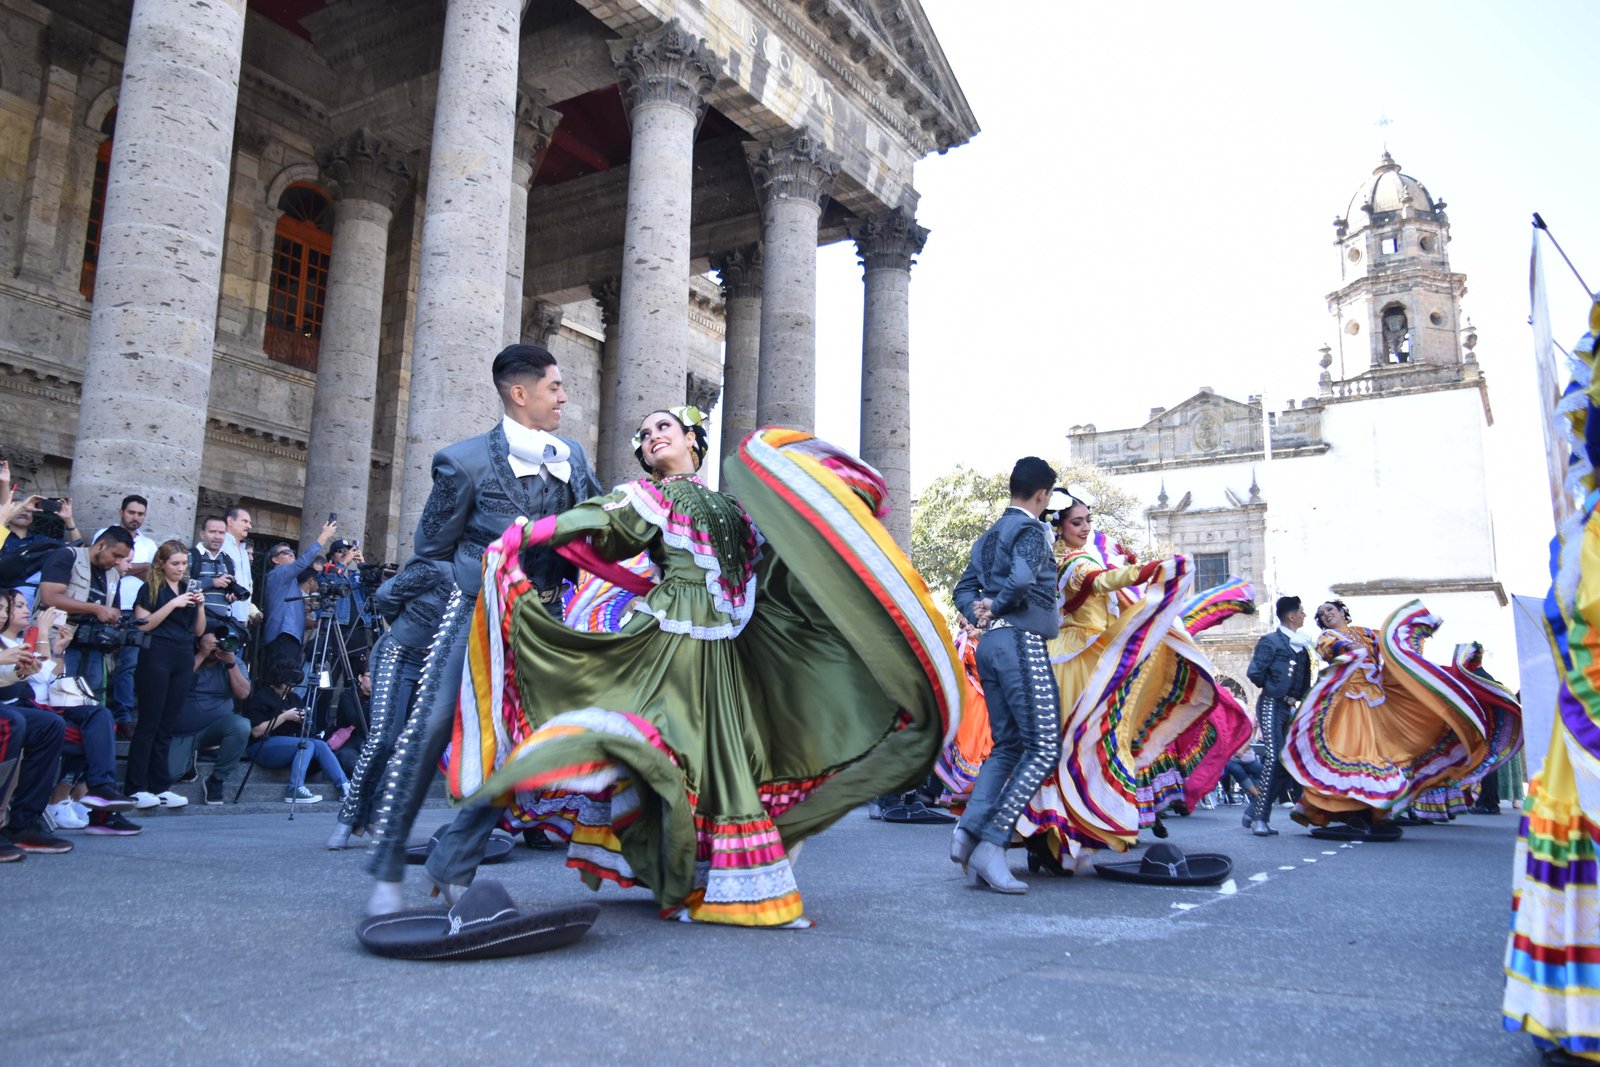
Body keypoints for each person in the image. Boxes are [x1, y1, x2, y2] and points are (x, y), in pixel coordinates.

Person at [444, 410, 952, 927]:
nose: (652, 437)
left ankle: (690, 874)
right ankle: (455, 859)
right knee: (579, 736)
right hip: (664, 647)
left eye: (663, 427)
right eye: (644, 435)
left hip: (724, 657)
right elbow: (599, 519)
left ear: (692, 439)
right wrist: (527, 535)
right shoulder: (649, 496)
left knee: (707, 765)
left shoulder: (735, 508)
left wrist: (842, 505)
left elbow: (783, 548)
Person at [365, 343, 600, 914]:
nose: (564, 397)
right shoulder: (462, 461)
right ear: (520, 393)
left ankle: (454, 862)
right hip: (474, 615)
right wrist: (485, 577)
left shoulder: (571, 455)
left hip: (543, 623)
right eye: (554, 387)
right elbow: (430, 550)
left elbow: (598, 521)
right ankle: (387, 870)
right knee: (430, 728)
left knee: (528, 746)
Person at [1011, 496, 1210, 870]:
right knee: (1080, 744)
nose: (1086, 528)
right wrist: (1148, 571)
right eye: (1076, 522)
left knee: (1073, 745)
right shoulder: (1074, 562)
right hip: (1078, 660)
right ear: (1059, 527)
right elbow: (1100, 582)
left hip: (1078, 655)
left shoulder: (1062, 559)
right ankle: (1053, 838)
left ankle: (1051, 839)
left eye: (1088, 520)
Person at [1280, 599, 1492, 838]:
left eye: (1330, 609)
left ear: (1342, 612)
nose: (1326, 614)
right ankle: (1357, 814)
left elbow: (1392, 642)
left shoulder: (1365, 632)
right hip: (1349, 700)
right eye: (1321, 614)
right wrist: (1349, 649)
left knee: (1384, 752)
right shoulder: (1327, 636)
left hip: (1377, 698)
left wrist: (1417, 629)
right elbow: (1330, 648)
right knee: (1357, 753)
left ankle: (1374, 812)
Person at [947, 457, 1062, 894]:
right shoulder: (1031, 530)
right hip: (1021, 641)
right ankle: (992, 841)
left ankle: (967, 833)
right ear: (1042, 494)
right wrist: (995, 605)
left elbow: (962, 589)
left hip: (992, 644)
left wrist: (979, 612)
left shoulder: (988, 536)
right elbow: (1023, 578)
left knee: (1008, 745)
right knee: (1044, 747)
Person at [327, 555, 453, 849]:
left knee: (410, 745)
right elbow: (386, 595)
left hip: (433, 664)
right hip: (398, 654)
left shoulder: (487, 578)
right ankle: (348, 816)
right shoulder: (436, 566)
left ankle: (374, 814)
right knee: (383, 737)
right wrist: (407, 628)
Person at [1, 597, 139, 834]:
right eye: (17, 606)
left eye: (9, 608)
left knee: (100, 717)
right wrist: (44, 632)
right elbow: (41, 674)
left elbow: (51, 675)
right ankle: (63, 805)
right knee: (84, 734)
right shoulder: (15, 642)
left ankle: (101, 796)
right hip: (27, 709)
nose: (26, 610)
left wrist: (58, 649)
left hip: (44, 707)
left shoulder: (23, 641)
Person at [125, 539, 206, 808]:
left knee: (168, 724)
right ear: (162, 563)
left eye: (184, 563)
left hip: (183, 654)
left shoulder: (187, 588)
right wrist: (173, 604)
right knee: (150, 721)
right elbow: (142, 624)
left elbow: (198, 631)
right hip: (157, 652)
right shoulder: (150, 587)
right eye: (175, 563)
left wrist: (200, 605)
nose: (180, 568)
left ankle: (160, 785)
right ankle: (136, 786)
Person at [1243, 595, 1312, 836]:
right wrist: (1276, 689)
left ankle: (1253, 810)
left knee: (1287, 762)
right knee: (1273, 757)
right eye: (1301, 612)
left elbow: (1304, 680)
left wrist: (1295, 697)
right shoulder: (1270, 641)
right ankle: (1259, 818)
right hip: (1271, 703)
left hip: (1287, 708)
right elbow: (1255, 672)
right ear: (1291, 616)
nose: (1304, 615)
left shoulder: (1301, 647)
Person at [243, 658, 349, 804]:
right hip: (261, 746)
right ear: (278, 681)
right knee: (306, 744)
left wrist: (302, 721)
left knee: (319, 744)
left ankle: (344, 785)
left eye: (294, 685)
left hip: (288, 745)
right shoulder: (262, 697)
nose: (291, 688)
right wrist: (285, 716)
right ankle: (295, 788)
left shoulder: (293, 698)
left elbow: (306, 731)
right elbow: (256, 731)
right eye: (288, 685)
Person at [169, 627, 251, 806]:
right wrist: (202, 654)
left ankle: (217, 779)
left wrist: (231, 664)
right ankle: (189, 759)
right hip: (183, 730)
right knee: (171, 774)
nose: (218, 647)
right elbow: (175, 684)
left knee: (241, 726)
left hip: (216, 727)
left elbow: (243, 693)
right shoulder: (188, 657)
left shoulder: (234, 662)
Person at [100, 495, 157, 733]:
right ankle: (97, 711)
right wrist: (142, 567)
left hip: (137, 610)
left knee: (129, 665)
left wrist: (134, 568)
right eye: (131, 512)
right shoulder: (105, 535)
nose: (135, 517)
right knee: (100, 660)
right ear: (121, 512)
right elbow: (104, 565)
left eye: (140, 514)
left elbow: (154, 575)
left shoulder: (149, 545)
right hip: (106, 606)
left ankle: (123, 716)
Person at [259, 521, 337, 670]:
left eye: (292, 551)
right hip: (283, 635)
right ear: (275, 560)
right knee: (283, 678)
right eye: (285, 552)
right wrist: (324, 536)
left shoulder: (290, 580)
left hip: (290, 635)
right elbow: (301, 563)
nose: (291, 554)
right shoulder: (278, 573)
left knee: (289, 678)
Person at [190, 516, 238, 627]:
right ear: (202, 534)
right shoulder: (189, 556)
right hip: (194, 622)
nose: (217, 537)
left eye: (221, 533)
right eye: (212, 532)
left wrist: (232, 595)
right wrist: (213, 582)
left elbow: (230, 593)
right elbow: (181, 588)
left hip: (222, 623)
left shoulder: (229, 561)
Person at [220, 506, 253, 629]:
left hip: (241, 619)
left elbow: (247, 584)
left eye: (249, 522)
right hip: (223, 616)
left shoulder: (244, 551)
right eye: (244, 521)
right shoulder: (220, 544)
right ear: (230, 521)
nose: (249, 526)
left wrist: (247, 613)